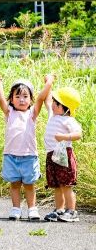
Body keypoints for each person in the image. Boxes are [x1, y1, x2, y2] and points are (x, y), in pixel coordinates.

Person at [0, 74, 53, 221]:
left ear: (30, 100)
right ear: (12, 99)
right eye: (18, 96)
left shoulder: (32, 113)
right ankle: (15, 209)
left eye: (25, 96)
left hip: (29, 156)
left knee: (29, 184)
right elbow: (0, 99)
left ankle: (32, 209)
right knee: (14, 184)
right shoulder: (9, 113)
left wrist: (49, 82)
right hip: (10, 156)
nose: (21, 99)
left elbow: (40, 98)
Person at [43, 86, 83, 223]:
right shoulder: (53, 116)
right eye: (54, 101)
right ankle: (59, 209)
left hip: (64, 155)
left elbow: (78, 134)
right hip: (52, 155)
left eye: (57, 103)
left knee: (66, 185)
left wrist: (65, 136)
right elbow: (47, 101)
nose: (53, 104)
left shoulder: (69, 120)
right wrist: (49, 83)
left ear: (65, 108)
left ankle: (71, 211)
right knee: (57, 185)